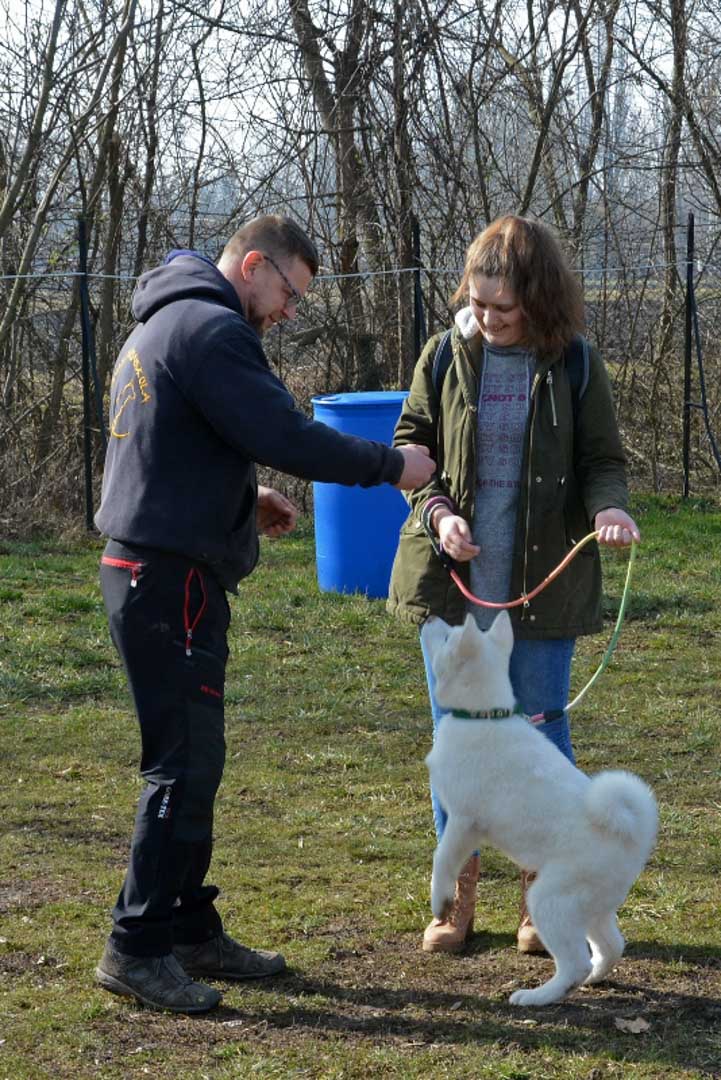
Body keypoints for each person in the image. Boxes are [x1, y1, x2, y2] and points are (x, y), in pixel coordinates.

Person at [93, 214, 435, 1014]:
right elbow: (285, 433)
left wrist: (242, 498)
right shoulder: (213, 330)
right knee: (180, 766)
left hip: (153, 567)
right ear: (253, 265)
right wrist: (392, 464)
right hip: (168, 576)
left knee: (197, 761)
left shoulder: (165, 322)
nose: (289, 311)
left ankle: (187, 928)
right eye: (290, 291)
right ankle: (135, 947)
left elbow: (165, 445)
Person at [387, 214, 640, 955]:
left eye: (504, 306)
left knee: (540, 736)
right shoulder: (443, 354)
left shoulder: (576, 363)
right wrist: (438, 515)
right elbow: (410, 447)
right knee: (457, 742)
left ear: (539, 298)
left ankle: (542, 895)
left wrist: (609, 507)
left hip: (543, 587)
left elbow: (603, 460)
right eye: (477, 301)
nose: (489, 317)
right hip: (452, 590)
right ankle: (452, 899)